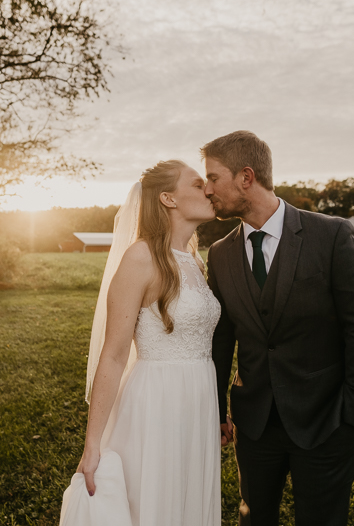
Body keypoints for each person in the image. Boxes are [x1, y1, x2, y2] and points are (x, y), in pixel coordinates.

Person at [203, 131, 354, 526]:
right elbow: (220, 338)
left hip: (326, 420)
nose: (207, 188)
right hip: (253, 424)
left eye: (214, 178)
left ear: (246, 177)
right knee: (254, 517)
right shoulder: (219, 254)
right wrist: (217, 408)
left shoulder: (332, 235)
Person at [59, 160, 222, 526]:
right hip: (157, 404)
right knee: (155, 503)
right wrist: (92, 445)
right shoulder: (140, 257)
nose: (209, 190)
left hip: (198, 399)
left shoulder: (195, 259)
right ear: (168, 198)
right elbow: (115, 354)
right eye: (198, 185)